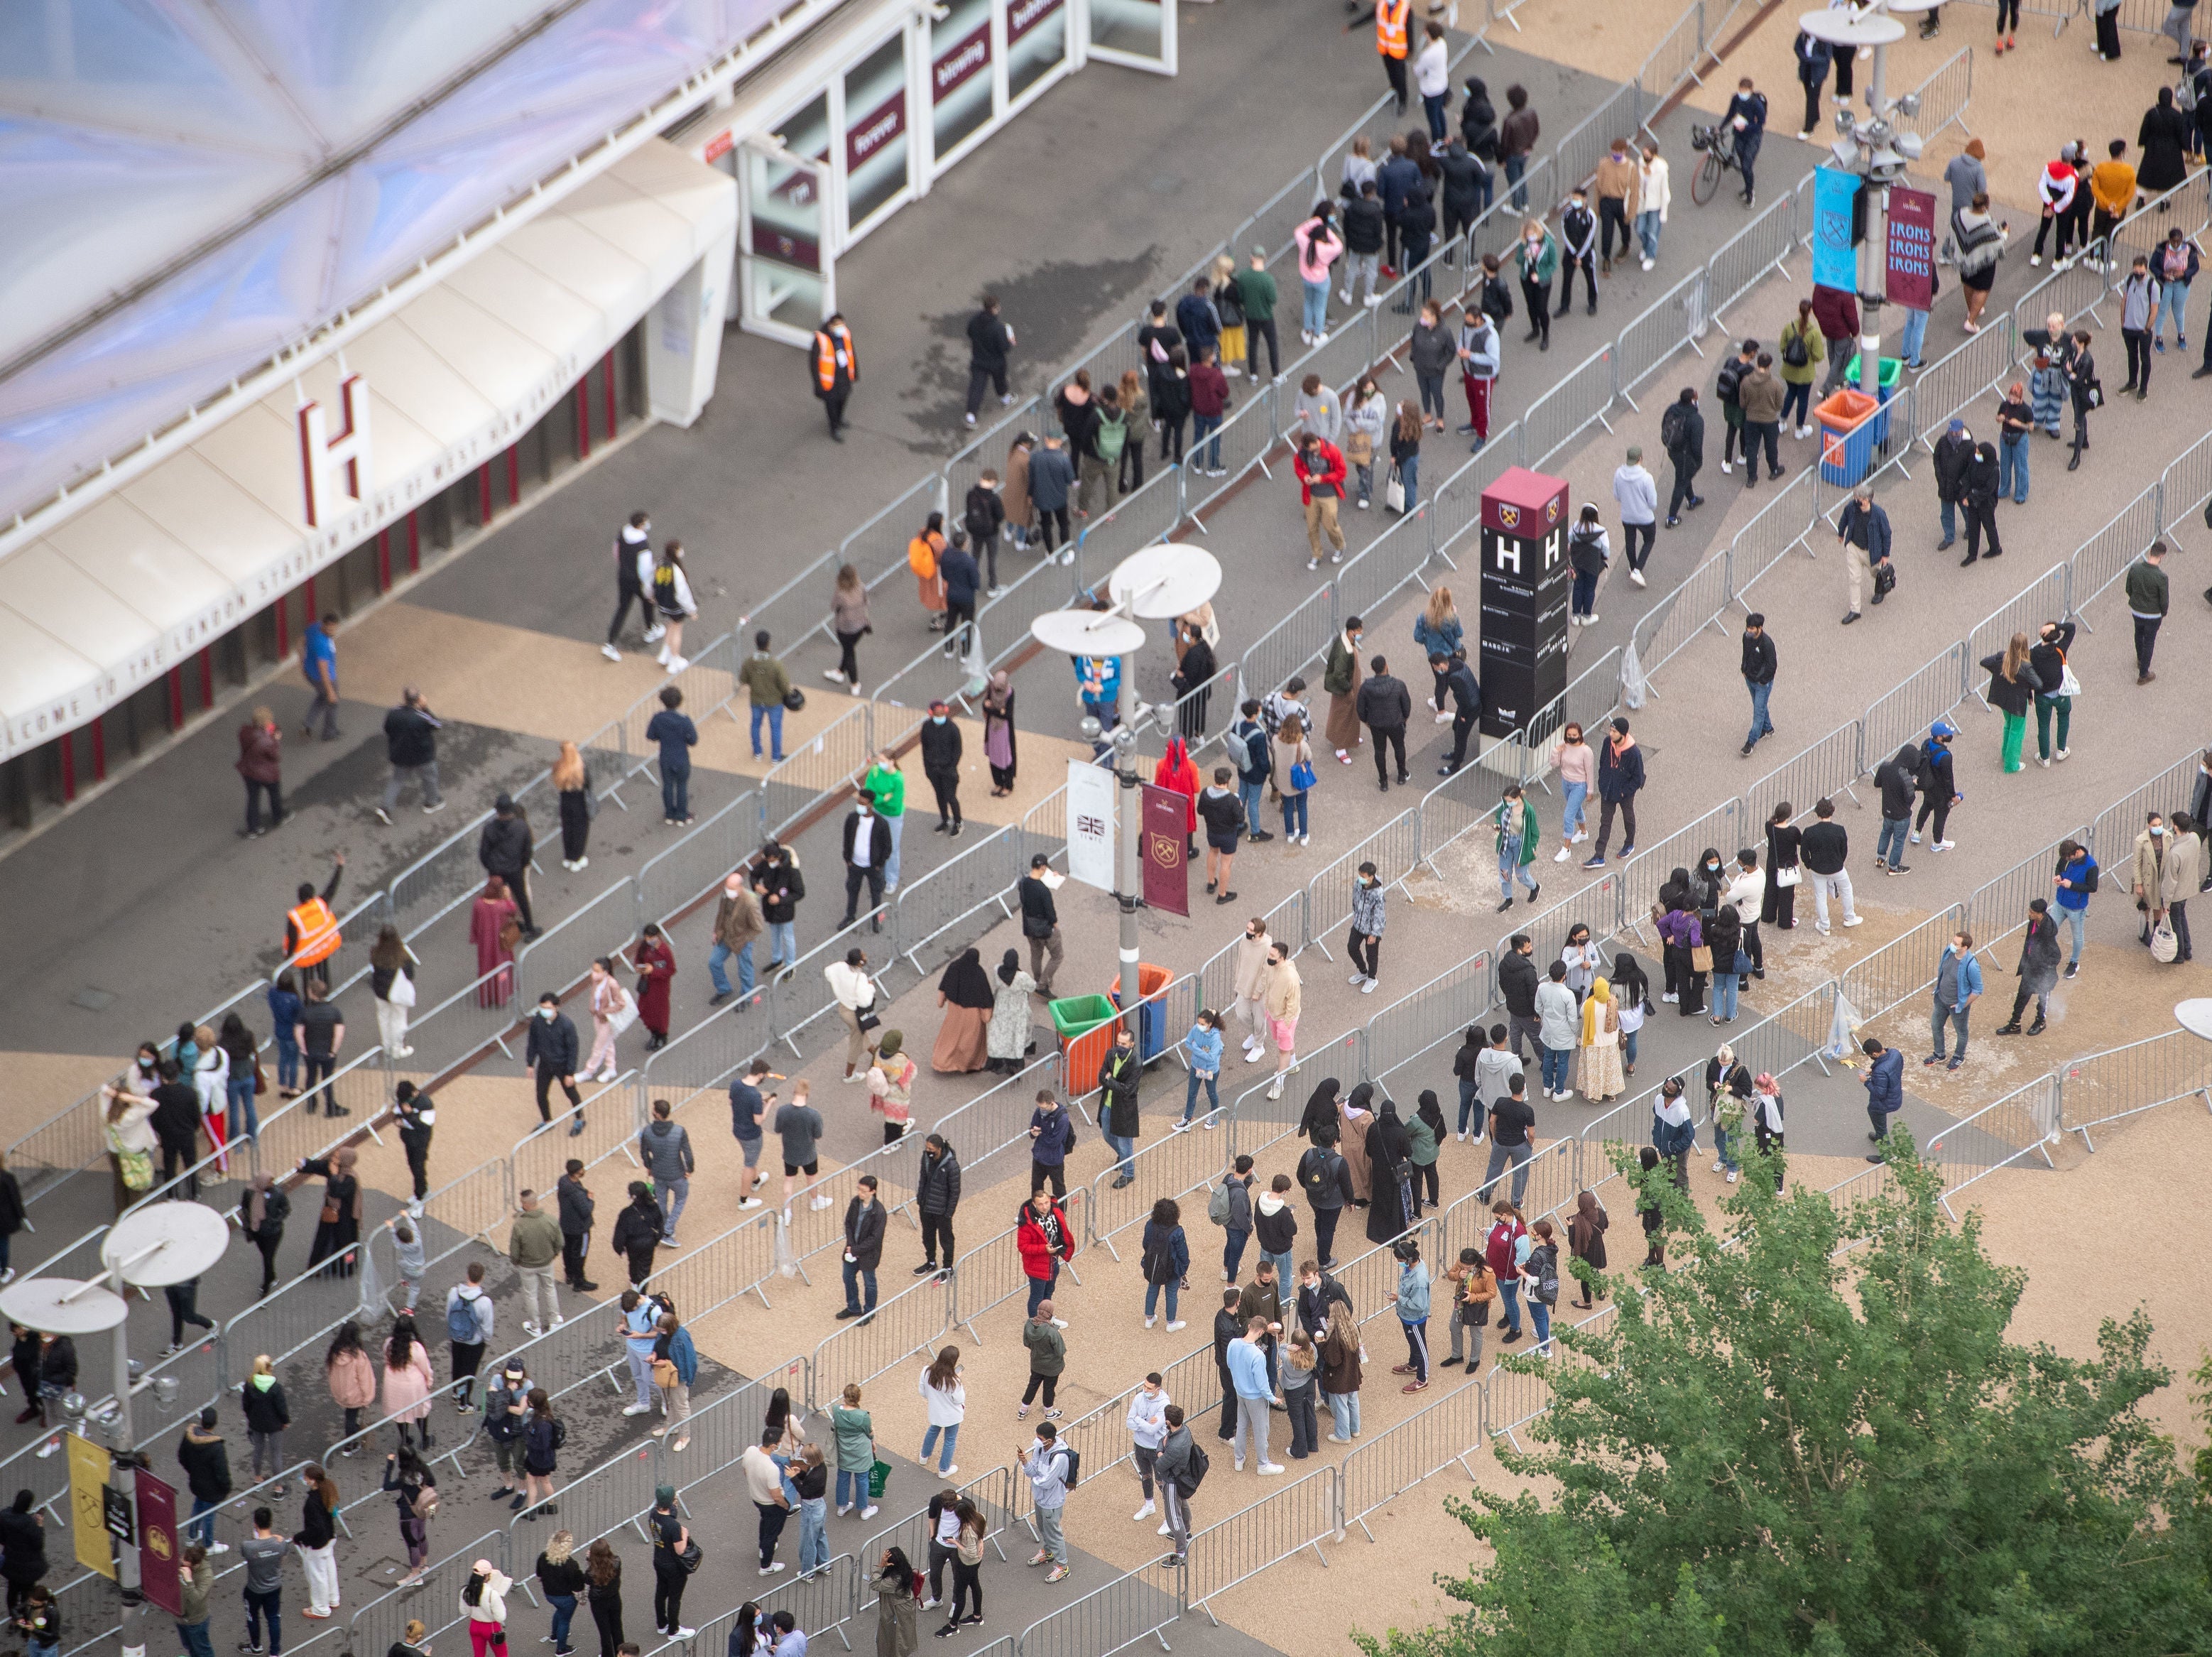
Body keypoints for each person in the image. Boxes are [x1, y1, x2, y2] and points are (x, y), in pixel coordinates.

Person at [1582, 717, 1645, 866]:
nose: (1611, 734)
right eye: (1610, 730)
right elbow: (1603, 762)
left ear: (1623, 734)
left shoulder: (1634, 753)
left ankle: (1629, 844)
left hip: (1625, 792)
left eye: (1614, 731)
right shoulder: (1607, 743)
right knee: (1605, 821)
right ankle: (1599, 856)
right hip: (1608, 790)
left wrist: (1624, 792)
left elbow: (1638, 778)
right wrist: (1602, 782)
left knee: (1628, 817)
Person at [1017, 1423, 1072, 1582]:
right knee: (1042, 1527)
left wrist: (1034, 1480)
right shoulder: (1040, 1449)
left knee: (1053, 1532)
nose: (1037, 1440)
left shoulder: (1060, 1458)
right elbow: (1033, 1471)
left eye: (1039, 1438)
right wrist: (1025, 1463)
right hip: (1041, 1498)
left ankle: (1063, 1566)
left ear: (1049, 1439)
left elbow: (1047, 1482)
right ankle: (1049, 1552)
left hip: (1052, 1501)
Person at [1835, 482, 1892, 624]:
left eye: (1858, 499)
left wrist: (1885, 555)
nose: (1855, 501)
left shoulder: (1879, 514)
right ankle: (1855, 610)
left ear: (1866, 500)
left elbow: (1886, 534)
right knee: (1854, 579)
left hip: (1872, 552)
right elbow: (1844, 519)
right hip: (1854, 548)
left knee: (1877, 573)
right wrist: (1841, 533)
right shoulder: (1851, 508)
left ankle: (1881, 590)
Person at [525, 992, 583, 1130]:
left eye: (548, 1008)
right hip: (545, 1064)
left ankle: (580, 1118)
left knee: (571, 1093)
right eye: (542, 1007)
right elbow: (532, 1042)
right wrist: (530, 1063)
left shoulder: (566, 1025)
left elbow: (573, 1049)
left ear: (557, 1007)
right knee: (541, 1094)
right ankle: (547, 1120)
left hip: (562, 1065)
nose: (544, 1011)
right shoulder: (537, 1022)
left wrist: (570, 1072)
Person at [1018, 1184, 1074, 1313]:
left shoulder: (1054, 1210)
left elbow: (1062, 1229)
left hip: (1053, 1261)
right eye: (1041, 1204)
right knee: (1036, 1299)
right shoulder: (1027, 1223)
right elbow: (1023, 1247)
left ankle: (1046, 1319)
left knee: (1048, 1293)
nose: (1045, 1207)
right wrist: (1044, 1249)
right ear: (1034, 1204)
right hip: (1037, 1267)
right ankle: (1035, 1327)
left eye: (1046, 1202)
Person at [293, 1464, 339, 1619]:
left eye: (305, 1478)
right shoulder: (327, 1490)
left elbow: (315, 1529)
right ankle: (333, 1598)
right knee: (329, 1568)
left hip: (317, 1544)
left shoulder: (311, 1503)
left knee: (318, 1576)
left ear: (312, 1480)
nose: (303, 1480)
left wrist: (299, 1537)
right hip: (329, 1537)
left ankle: (320, 1608)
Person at [1483, 1073, 1537, 1204]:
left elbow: (1492, 1121)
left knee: (1495, 1168)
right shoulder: (1527, 1110)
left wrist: (1495, 1137)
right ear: (1523, 1088)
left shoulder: (1500, 1102)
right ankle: (1516, 1201)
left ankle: (1485, 1195)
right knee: (1520, 1173)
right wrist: (1528, 1146)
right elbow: (1531, 1134)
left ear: (1509, 1086)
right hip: (1519, 1144)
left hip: (1501, 1141)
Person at [234, 705, 285, 837]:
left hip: (249, 771)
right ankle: (278, 818)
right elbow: (275, 756)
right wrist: (276, 740)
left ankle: (253, 828)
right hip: (267, 773)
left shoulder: (245, 732)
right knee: (274, 794)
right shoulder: (267, 741)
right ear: (265, 723)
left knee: (253, 798)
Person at [1263, 940, 1302, 1102]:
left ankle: (1279, 1081)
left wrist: (1285, 1024)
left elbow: (1293, 1003)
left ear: (1282, 957)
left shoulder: (1290, 977)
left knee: (1283, 1050)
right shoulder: (1272, 968)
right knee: (1285, 1045)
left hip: (1285, 1018)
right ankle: (1292, 1065)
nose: (1269, 957)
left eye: (1273, 955)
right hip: (1274, 1013)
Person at [1736, 351, 1783, 485]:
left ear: (1757, 364)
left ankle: (1752, 477)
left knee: (1751, 448)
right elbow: (1780, 405)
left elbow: (1742, 404)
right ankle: (1774, 470)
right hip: (1769, 420)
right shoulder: (1775, 384)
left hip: (1751, 420)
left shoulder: (1746, 381)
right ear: (1770, 366)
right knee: (1771, 446)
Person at [1512, 214, 1558, 352]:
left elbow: (1553, 265)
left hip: (1542, 281)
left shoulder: (1549, 244)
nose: (1530, 238)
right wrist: (1524, 256)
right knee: (1531, 306)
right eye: (1528, 235)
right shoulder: (1524, 244)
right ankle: (1535, 329)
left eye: (1532, 235)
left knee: (1542, 309)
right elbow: (1518, 260)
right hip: (1527, 279)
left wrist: (1541, 275)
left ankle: (1545, 335)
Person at [1913, 722, 1961, 853]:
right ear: (1939, 738)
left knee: (1926, 806)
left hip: (1928, 785)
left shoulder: (1927, 743)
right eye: (1946, 734)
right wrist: (1953, 795)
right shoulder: (1945, 756)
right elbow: (1948, 778)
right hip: (1941, 791)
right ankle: (1937, 842)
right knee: (1941, 815)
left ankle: (1917, 831)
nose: (1949, 735)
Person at [2126, 540, 2169, 682]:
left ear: (2150, 552)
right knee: (2149, 641)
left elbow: (2128, 589)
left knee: (2138, 633)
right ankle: (2144, 673)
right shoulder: (2161, 577)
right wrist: (2163, 612)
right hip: (2153, 615)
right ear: (2161, 556)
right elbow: (2164, 600)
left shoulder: (2135, 569)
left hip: (2137, 611)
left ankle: (2140, 659)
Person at [1614, 447, 1657, 582]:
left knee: (1630, 540)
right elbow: (1653, 503)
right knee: (1649, 540)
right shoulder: (1647, 478)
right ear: (1640, 459)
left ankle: (1633, 566)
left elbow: (1617, 496)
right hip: (1645, 517)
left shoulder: (1618, 474)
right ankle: (1637, 570)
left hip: (1627, 515)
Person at [812, 313, 857, 440]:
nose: (841, 328)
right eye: (838, 325)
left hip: (844, 375)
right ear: (830, 326)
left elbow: (851, 353)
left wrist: (855, 372)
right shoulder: (821, 340)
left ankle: (839, 419)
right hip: (829, 380)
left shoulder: (845, 335)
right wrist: (818, 384)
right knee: (831, 405)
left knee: (843, 399)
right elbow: (814, 365)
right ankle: (834, 427)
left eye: (842, 324)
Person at [299, 609, 341, 741]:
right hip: (324, 678)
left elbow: (300, 643)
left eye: (335, 628)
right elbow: (323, 668)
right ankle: (329, 732)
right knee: (331, 701)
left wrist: (303, 665)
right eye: (331, 628)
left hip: (311, 673)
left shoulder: (314, 627)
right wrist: (330, 691)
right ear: (325, 624)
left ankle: (307, 724)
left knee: (322, 698)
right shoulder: (321, 643)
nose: (333, 631)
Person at [1726, 75, 1767, 205]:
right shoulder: (1736, 99)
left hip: (1753, 137)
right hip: (1739, 135)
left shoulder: (1756, 104)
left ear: (1750, 90)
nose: (1742, 93)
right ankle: (1748, 186)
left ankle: (1750, 192)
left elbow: (1761, 123)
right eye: (1741, 89)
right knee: (1744, 164)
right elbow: (1730, 114)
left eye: (1745, 90)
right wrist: (1719, 128)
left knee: (1746, 166)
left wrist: (1746, 127)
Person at [1027, 1089, 1074, 1199]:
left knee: (1058, 1189)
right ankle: (1037, 1209)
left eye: (1044, 1108)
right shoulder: (1039, 1111)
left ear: (1052, 1103)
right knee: (1036, 1186)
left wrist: (1039, 1134)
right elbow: (1033, 1127)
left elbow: (1054, 1141)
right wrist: (1033, 1133)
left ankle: (1061, 1212)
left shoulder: (1062, 1118)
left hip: (1054, 1160)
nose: (1041, 1110)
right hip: (1039, 1156)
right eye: (1039, 1107)